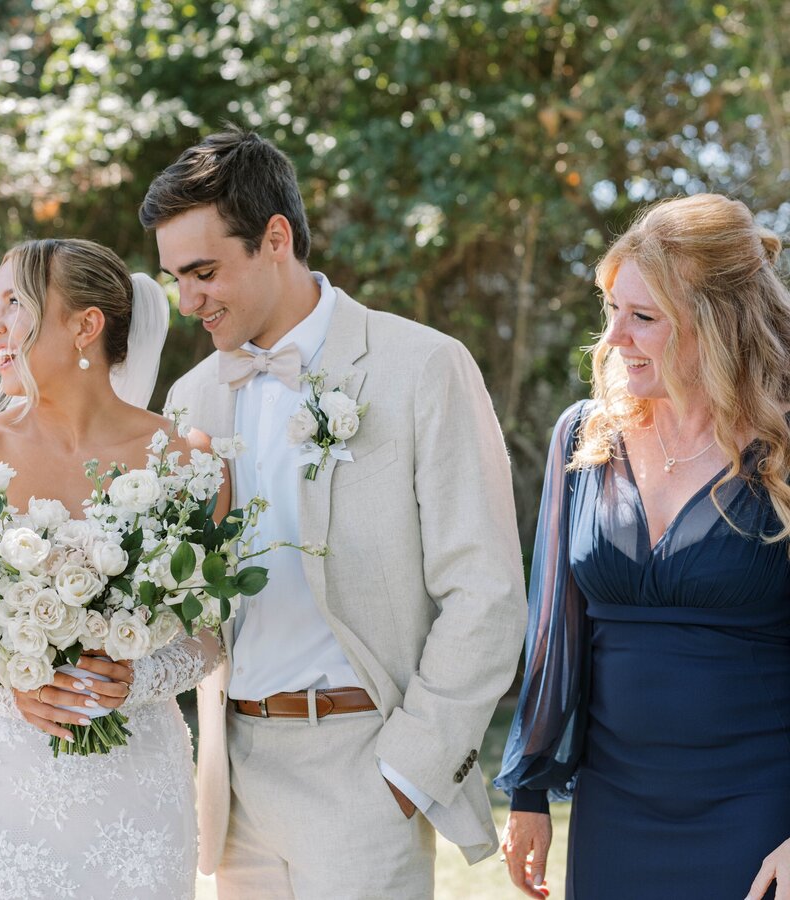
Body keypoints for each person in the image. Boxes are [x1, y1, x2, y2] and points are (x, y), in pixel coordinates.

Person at [143, 127, 527, 899]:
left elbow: (486, 594)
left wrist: (406, 772)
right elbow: (184, 609)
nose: (187, 302)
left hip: (365, 773)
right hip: (237, 785)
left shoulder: (423, 366)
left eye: (204, 272)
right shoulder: (192, 399)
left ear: (275, 239)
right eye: (173, 279)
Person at [0, 238, 225, 900]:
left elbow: (209, 632)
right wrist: (6, 689)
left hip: (136, 788)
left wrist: (138, 677)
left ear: (84, 325)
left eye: (14, 303)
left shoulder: (181, 458)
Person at [496, 194, 790, 900]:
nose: (613, 338)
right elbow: (553, 630)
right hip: (614, 812)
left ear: (715, 326)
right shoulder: (584, 437)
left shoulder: (782, 446)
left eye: (643, 318)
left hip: (760, 812)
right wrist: (531, 792)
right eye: (612, 310)